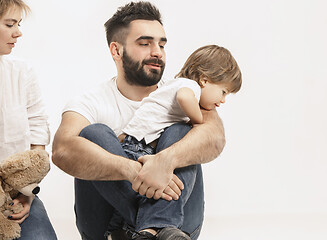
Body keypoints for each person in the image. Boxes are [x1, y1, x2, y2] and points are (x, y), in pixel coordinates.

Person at [52, 2, 229, 240]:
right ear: (116, 50)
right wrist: (134, 172)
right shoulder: (90, 102)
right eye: (145, 44)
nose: (157, 51)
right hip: (108, 228)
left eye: (161, 44)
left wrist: (165, 162)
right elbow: (62, 150)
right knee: (93, 135)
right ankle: (155, 227)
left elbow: (215, 137)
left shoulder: (183, 91)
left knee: (180, 132)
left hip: (181, 225)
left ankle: (152, 229)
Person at [121, 44, 242, 162]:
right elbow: (184, 97)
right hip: (139, 144)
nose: (223, 100)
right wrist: (197, 120)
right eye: (223, 92)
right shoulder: (191, 86)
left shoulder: (177, 84)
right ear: (204, 80)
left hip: (136, 140)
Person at [0, 0, 57, 239]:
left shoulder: (22, 72)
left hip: (15, 192)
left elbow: (37, 128)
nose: (18, 32)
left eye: (18, 24)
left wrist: (27, 193)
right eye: (9, 24)